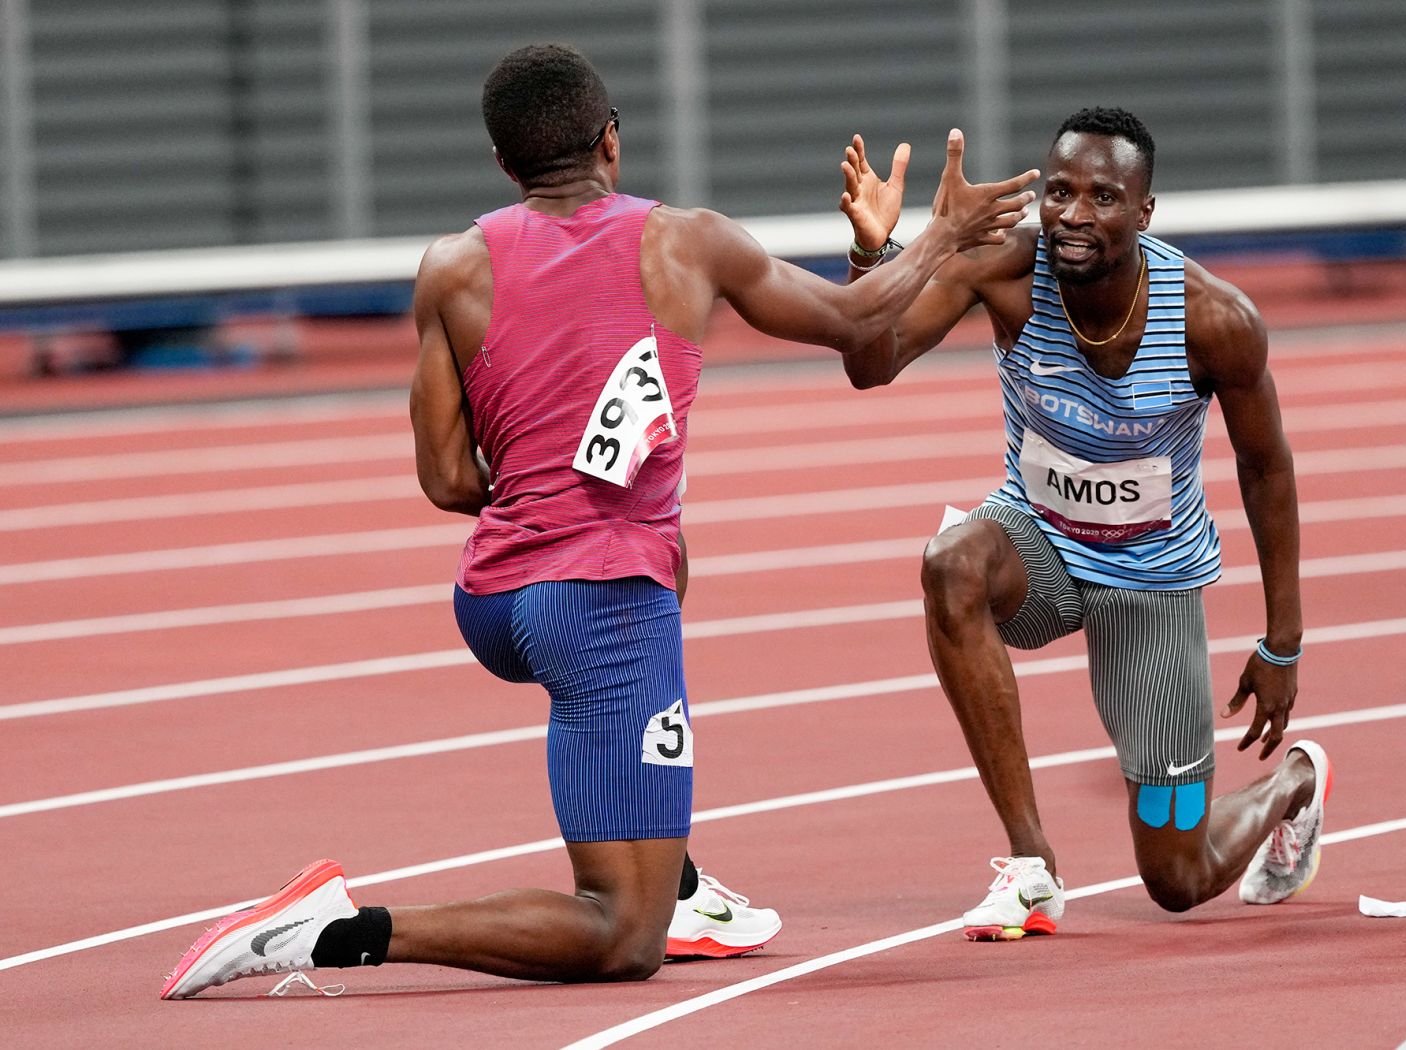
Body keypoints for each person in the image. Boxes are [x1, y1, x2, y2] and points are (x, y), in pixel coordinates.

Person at [160, 43, 1037, 998]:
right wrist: (936, 239)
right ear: (612, 142)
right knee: (622, 935)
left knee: (666, 553)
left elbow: (448, 479)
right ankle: (331, 929)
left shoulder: (453, 266)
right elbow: (858, 322)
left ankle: (683, 876)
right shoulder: (686, 242)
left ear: (504, 165)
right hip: (597, 608)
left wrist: (547, 486)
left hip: (494, 600)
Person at [834, 107, 1332, 940]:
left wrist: (1283, 642)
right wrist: (877, 254)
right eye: (1058, 190)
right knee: (950, 562)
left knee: (1178, 878)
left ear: (1144, 212)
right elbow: (870, 365)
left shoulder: (1215, 320)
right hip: (1040, 545)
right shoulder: (1002, 270)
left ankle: (1295, 786)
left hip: (1153, 581)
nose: (1072, 213)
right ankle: (1033, 868)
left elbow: (1266, 467)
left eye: (1103, 196)